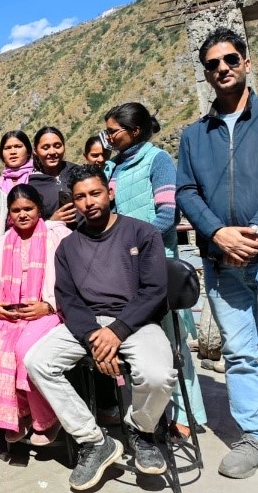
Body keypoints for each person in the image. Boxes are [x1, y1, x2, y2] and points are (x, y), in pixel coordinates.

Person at [25, 166, 176, 491]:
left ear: (109, 193)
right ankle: (93, 441)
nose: (89, 201)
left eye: (95, 193)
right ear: (73, 202)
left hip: (136, 321)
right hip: (89, 325)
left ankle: (139, 429)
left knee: (159, 375)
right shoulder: (67, 247)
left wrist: (116, 332)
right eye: (80, 197)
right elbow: (67, 298)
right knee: (37, 361)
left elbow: (153, 291)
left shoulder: (141, 233)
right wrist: (95, 339)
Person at [177, 27, 258, 479]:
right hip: (222, 262)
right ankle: (253, 435)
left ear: (245, 62)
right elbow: (187, 191)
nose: (222, 68)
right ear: (206, 74)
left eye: (230, 59)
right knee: (242, 353)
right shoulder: (194, 135)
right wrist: (218, 233)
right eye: (212, 64)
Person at [104, 101, 206, 439]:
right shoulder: (113, 169)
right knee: (145, 349)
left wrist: (129, 240)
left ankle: (186, 416)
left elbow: (167, 214)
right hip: (125, 269)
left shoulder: (158, 160)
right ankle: (152, 417)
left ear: (133, 131)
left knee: (173, 342)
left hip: (156, 263)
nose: (109, 138)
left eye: (113, 131)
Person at [0, 185, 70, 444]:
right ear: (9, 214)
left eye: (28, 209)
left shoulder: (58, 236)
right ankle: (15, 412)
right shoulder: (1, 245)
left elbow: (72, 280)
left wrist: (48, 305)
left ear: (39, 209)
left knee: (24, 351)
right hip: (9, 311)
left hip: (47, 309)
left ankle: (46, 417)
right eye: (16, 210)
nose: (23, 214)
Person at [27, 126, 78, 224]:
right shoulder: (33, 186)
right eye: (45, 148)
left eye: (57, 146)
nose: (52, 152)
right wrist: (52, 221)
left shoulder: (78, 173)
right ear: (35, 151)